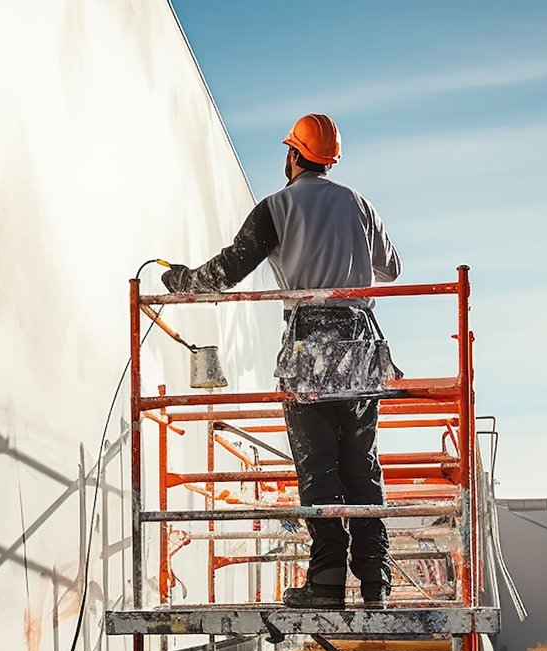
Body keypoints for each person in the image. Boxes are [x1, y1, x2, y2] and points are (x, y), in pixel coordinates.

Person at [161, 113, 400, 610]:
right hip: (360, 344)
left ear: (293, 156)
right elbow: (392, 268)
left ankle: (328, 580)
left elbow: (225, 270)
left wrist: (182, 281)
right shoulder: (360, 204)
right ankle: (375, 580)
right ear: (330, 159)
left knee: (319, 466)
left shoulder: (277, 208)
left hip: (310, 344)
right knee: (362, 465)